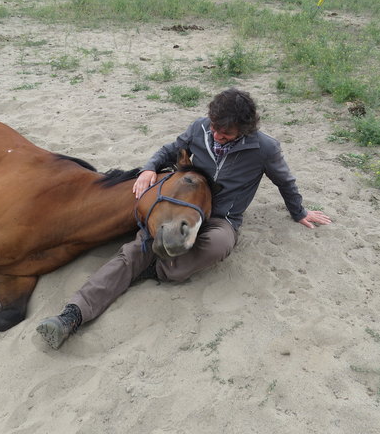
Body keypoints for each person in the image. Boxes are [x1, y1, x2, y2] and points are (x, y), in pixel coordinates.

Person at [36, 88, 331, 349]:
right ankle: (70, 316)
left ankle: (155, 271)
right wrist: (149, 168)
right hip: (180, 205)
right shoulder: (200, 128)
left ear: (245, 128)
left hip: (221, 216)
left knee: (217, 245)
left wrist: (299, 212)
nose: (216, 135)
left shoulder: (264, 148)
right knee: (134, 251)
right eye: (214, 127)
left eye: (225, 132)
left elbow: (285, 181)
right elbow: (169, 150)